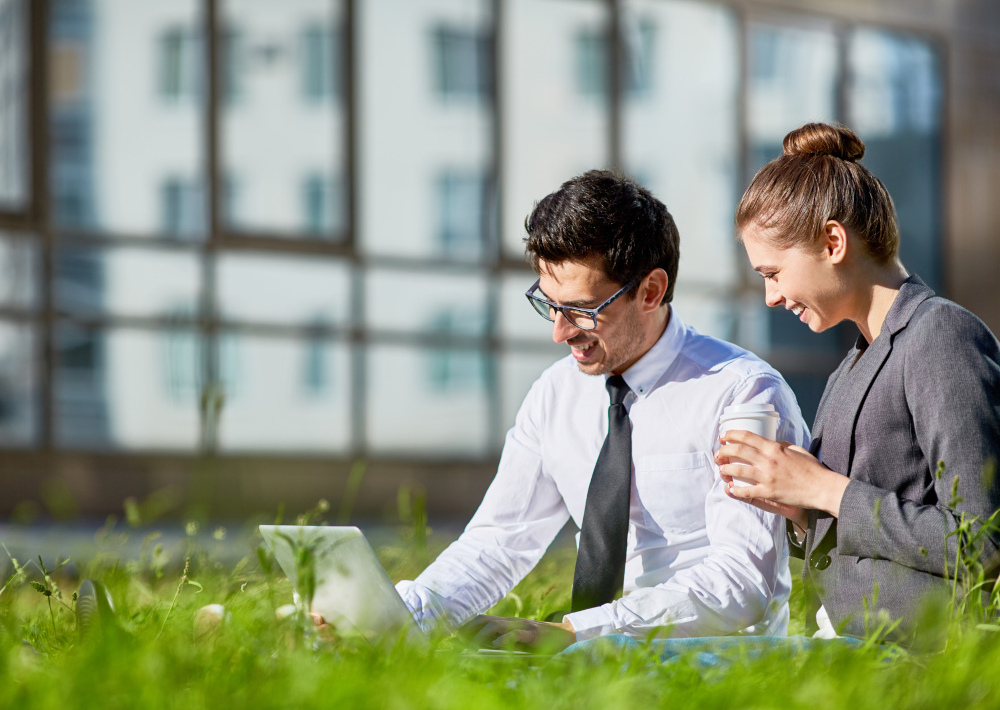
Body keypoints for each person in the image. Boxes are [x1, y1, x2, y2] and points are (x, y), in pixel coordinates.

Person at [393, 170, 809, 652]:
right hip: (580, 652)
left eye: (582, 309)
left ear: (651, 290)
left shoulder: (741, 393)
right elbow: (499, 540)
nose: (560, 332)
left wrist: (576, 632)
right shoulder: (554, 393)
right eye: (548, 305)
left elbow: (742, 583)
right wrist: (402, 617)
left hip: (713, 662)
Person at [716, 122, 1000, 646]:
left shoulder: (941, 335)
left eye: (773, 273)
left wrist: (825, 489)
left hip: (911, 661)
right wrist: (799, 508)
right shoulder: (852, 364)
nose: (770, 298)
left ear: (832, 241)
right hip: (841, 648)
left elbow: (982, 543)